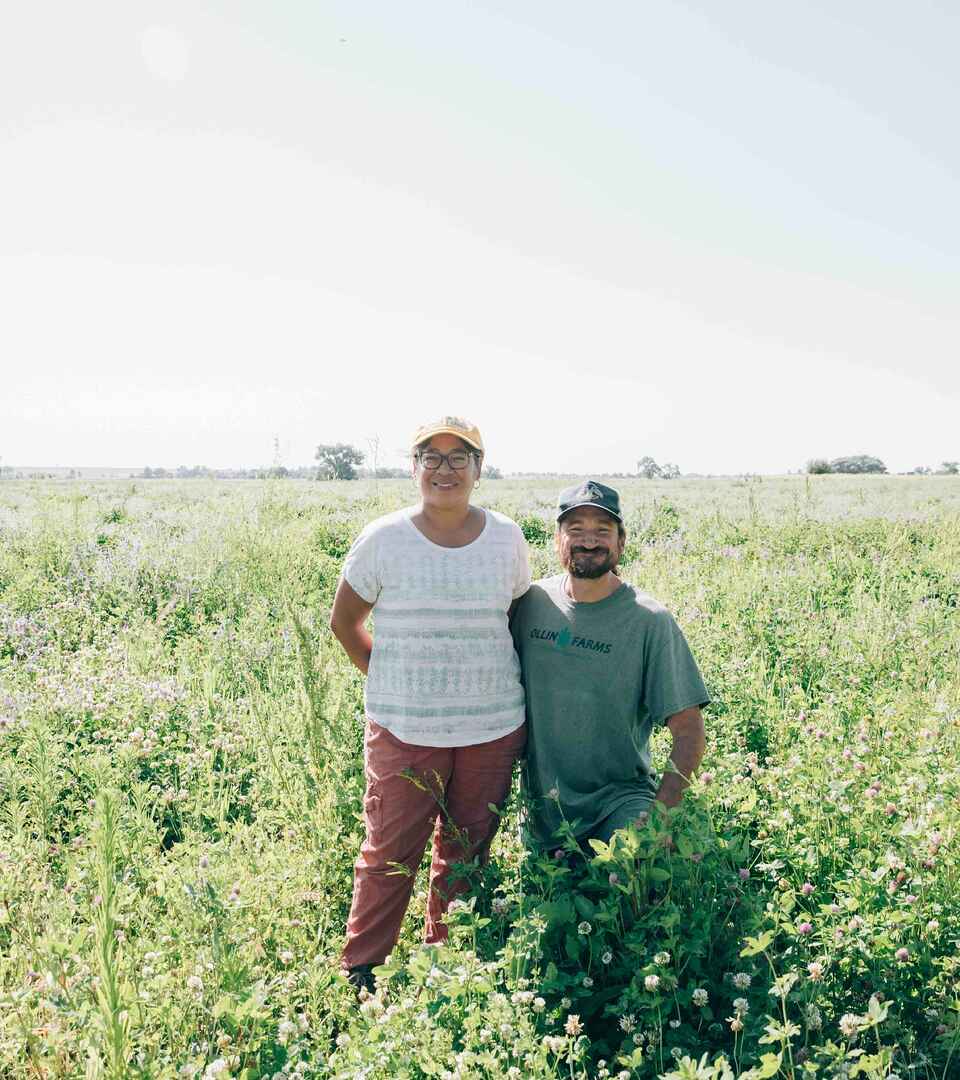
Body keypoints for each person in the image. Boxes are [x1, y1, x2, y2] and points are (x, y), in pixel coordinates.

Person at [329, 416, 530, 994]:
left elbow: (513, 620)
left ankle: (446, 961)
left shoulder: (506, 537)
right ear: (414, 467)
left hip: (491, 726)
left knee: (465, 847)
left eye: (458, 456)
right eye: (431, 457)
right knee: (391, 849)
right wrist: (392, 678)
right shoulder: (384, 538)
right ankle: (362, 970)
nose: (445, 469)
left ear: (478, 468)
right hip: (403, 726)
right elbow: (345, 623)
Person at [510, 480, 709, 849]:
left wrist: (659, 820)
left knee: (631, 876)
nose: (589, 541)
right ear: (557, 540)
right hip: (542, 814)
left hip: (619, 803)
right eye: (576, 530)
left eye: (603, 530)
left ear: (622, 541)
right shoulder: (530, 603)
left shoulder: (649, 621)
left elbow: (689, 732)